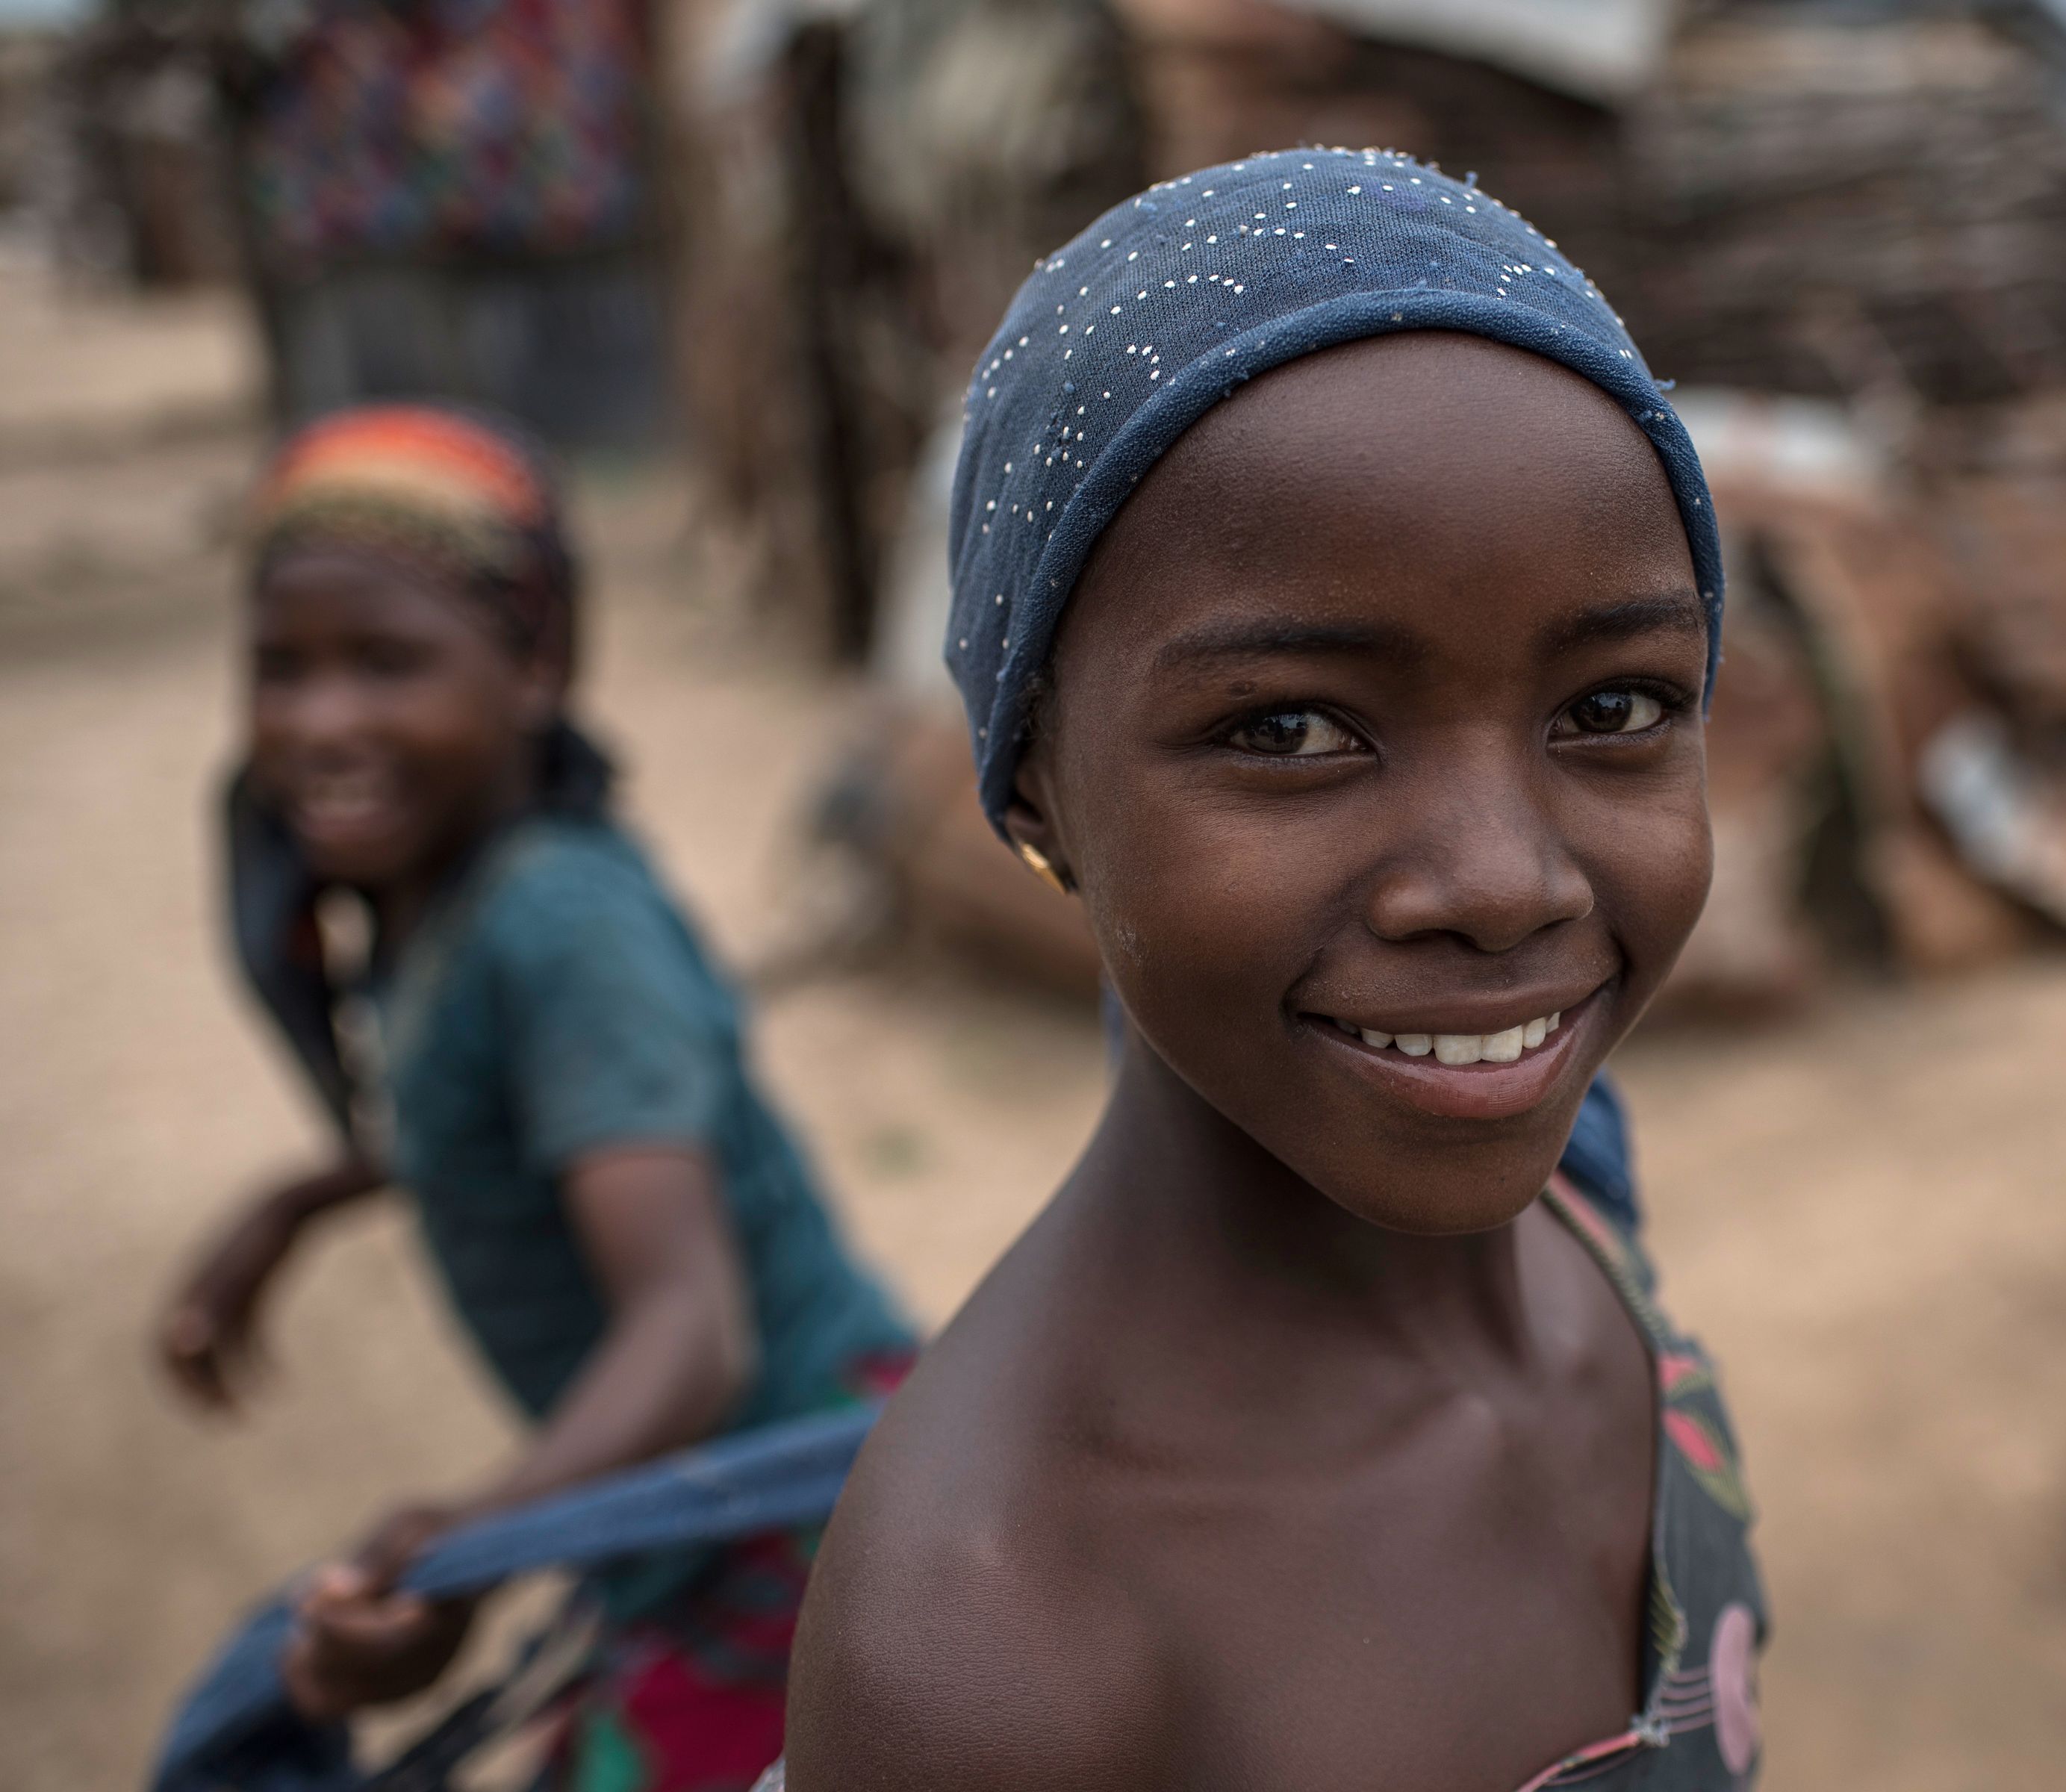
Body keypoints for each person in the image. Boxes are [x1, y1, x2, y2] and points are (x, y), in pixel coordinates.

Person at [785, 150, 1767, 1791]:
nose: (1502, 882)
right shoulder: (998, 1664)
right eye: (1290, 729)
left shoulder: (1585, 1235)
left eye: (1614, 709)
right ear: (1035, 785)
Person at [157, 403, 918, 1792]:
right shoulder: (440, 898)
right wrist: (295, 1204)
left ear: (536, 664)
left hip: (799, 1517)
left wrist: (471, 1543)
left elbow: (690, 1331)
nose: (324, 721)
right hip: (681, 1521)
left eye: (386, 663)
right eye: (282, 670)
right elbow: (498, 1122)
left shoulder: (558, 922)